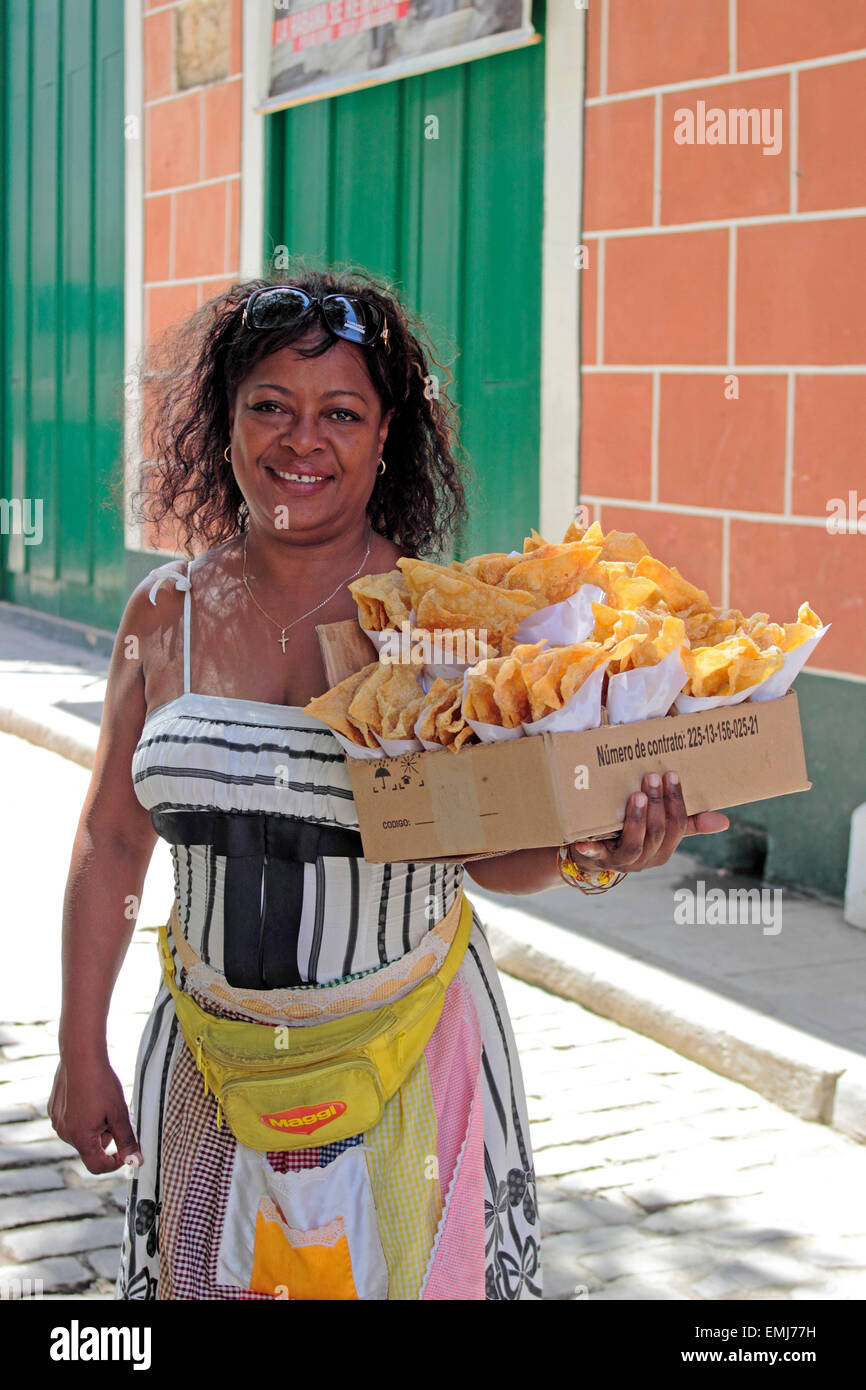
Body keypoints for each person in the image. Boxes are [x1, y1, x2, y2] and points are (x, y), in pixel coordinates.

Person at [48, 270, 729, 1301]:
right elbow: (109, 843)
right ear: (222, 420)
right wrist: (77, 1046)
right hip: (207, 1071)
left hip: (409, 1066)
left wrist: (594, 851)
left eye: (340, 412)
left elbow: (487, 853)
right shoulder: (163, 615)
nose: (300, 439)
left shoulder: (439, 623)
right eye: (269, 405)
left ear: (383, 436)